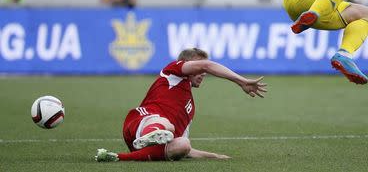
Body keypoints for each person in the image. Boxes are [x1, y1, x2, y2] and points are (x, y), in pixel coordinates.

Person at [95, 48, 266, 162]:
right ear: (187, 65)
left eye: (203, 71)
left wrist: (214, 156)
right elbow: (208, 64)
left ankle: (118, 156)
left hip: (142, 145)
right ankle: (152, 133)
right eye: (198, 68)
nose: (203, 73)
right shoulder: (172, 73)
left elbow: (188, 152)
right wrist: (241, 81)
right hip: (140, 122)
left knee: (184, 144)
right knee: (167, 126)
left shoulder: (190, 108)